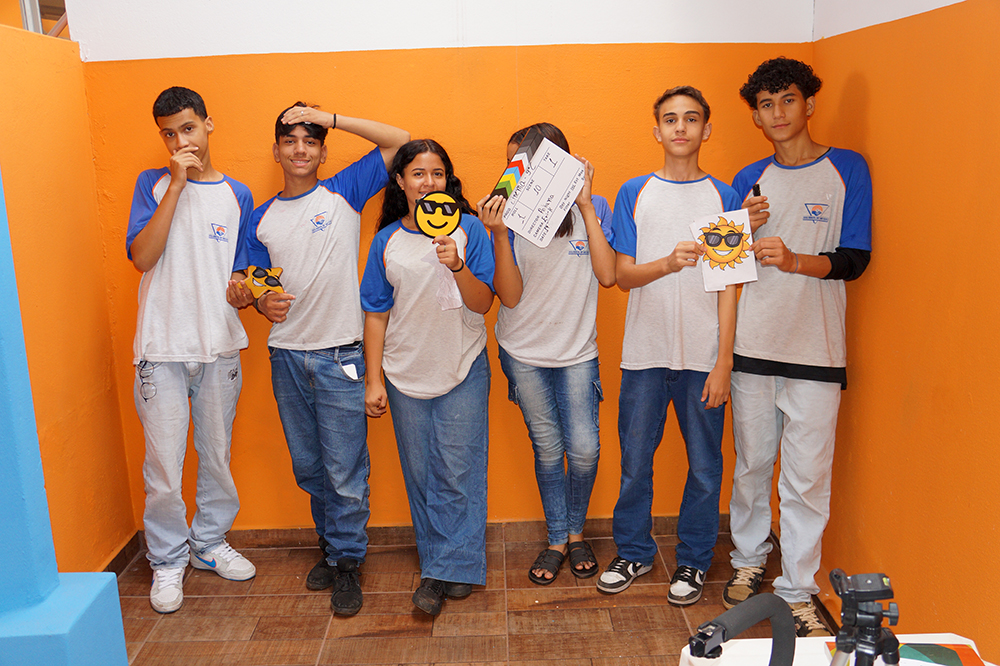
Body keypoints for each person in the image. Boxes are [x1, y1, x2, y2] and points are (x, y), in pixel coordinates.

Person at [228, 103, 409, 615]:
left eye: (310, 141)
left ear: (323, 151)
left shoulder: (343, 192)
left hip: (341, 355)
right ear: (277, 151)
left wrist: (329, 117)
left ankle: (348, 561)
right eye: (290, 141)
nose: (300, 150)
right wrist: (259, 302)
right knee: (310, 467)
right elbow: (255, 284)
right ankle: (331, 548)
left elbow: (398, 139)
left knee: (345, 470)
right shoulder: (260, 218)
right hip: (287, 357)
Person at [723, 57, 872, 637]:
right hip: (753, 346)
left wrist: (793, 260)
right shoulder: (747, 178)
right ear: (756, 117)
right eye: (766, 104)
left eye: (787, 99)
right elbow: (724, 266)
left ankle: (798, 589)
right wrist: (740, 227)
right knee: (752, 466)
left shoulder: (847, 169)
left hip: (818, 350)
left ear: (808, 104)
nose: (777, 113)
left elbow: (855, 260)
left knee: (807, 478)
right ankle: (747, 560)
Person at [596, 86, 740, 607]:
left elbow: (729, 287)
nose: (681, 127)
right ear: (656, 130)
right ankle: (633, 551)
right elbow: (622, 275)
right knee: (635, 462)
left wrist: (723, 362)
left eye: (691, 118)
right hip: (645, 355)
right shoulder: (635, 192)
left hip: (703, 359)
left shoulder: (724, 197)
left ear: (706, 129)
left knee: (705, 466)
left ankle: (694, 560)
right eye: (671, 119)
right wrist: (668, 263)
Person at [126, 86, 255, 614]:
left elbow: (239, 272)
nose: (181, 141)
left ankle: (208, 542)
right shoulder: (152, 185)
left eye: (189, 128)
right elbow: (142, 256)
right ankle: (167, 558)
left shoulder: (238, 194)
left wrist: (246, 291)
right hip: (161, 348)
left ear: (208, 124)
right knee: (163, 466)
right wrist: (177, 185)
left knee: (217, 457)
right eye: (169, 134)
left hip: (219, 346)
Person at [360, 139, 495, 615]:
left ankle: (445, 570)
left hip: (462, 366)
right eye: (417, 173)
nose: (428, 182)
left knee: (458, 472)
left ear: (447, 180)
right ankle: (445, 565)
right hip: (403, 373)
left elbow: (483, 302)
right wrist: (374, 380)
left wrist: (457, 264)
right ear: (400, 181)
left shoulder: (470, 229)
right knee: (421, 476)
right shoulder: (386, 240)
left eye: (437, 173)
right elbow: (375, 313)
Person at [482, 123, 616, 585]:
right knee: (548, 448)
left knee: (584, 449)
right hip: (523, 351)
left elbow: (608, 275)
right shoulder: (507, 216)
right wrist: (499, 235)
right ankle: (560, 538)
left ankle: (576, 530)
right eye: (510, 163)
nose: (515, 172)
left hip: (577, 351)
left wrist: (585, 204)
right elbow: (510, 297)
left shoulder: (594, 206)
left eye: (525, 161)